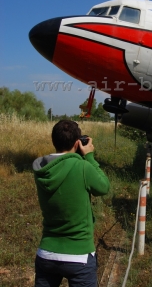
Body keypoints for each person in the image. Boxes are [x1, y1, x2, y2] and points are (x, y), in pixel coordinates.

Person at [32, 120, 110, 287]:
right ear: (77, 143)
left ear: (54, 141)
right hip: (79, 255)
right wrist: (89, 156)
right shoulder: (82, 167)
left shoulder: (42, 169)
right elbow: (103, 187)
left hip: (46, 253)